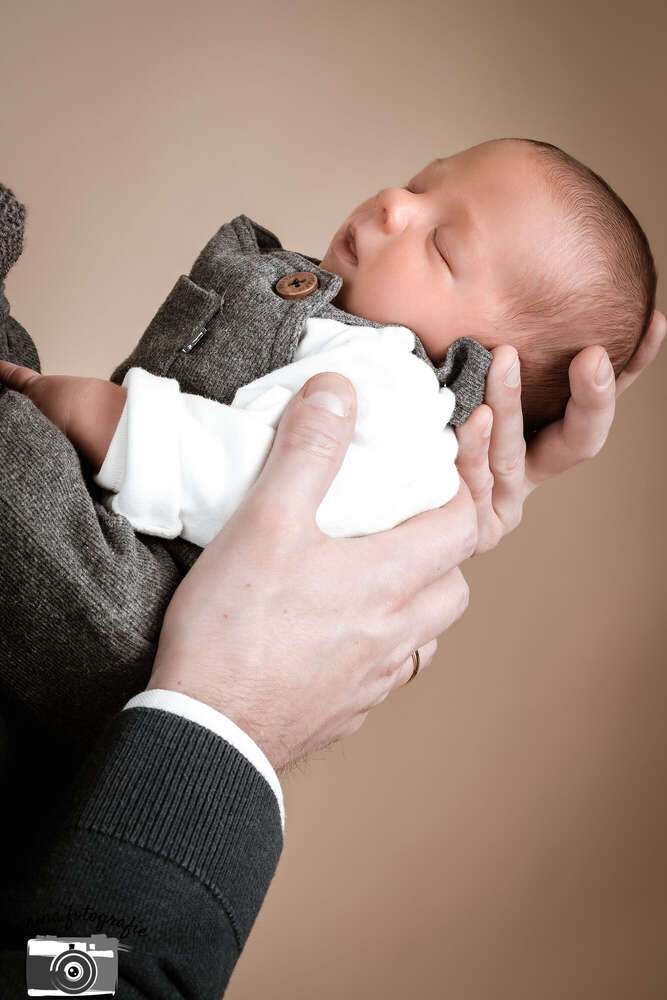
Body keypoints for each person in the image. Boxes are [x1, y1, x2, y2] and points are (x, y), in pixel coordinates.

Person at [1, 290, 663, 995]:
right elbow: (81, 977)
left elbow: (54, 974)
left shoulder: (385, 385)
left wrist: (209, 719)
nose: (388, 210)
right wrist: (223, 722)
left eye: (444, 243)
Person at [0, 139, 658, 741]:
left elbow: (269, 500)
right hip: (113, 555)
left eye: (442, 246)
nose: (394, 206)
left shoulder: (400, 404)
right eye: (418, 184)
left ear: (482, 364)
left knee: (15, 462)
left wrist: (106, 415)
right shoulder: (344, 335)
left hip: (138, 619)